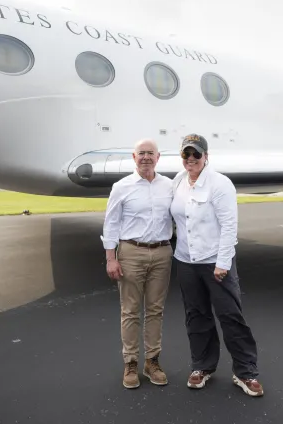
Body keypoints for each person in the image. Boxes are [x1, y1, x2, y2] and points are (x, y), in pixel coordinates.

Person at [170, 133, 264, 397]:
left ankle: (246, 372)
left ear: (206, 156)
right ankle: (202, 366)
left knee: (231, 316)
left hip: (215, 262)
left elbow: (228, 225)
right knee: (196, 316)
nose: (191, 159)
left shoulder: (220, 184)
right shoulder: (178, 181)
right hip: (186, 262)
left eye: (196, 154)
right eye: (186, 154)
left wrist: (223, 262)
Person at [100, 138, 174, 389]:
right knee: (130, 310)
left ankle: (152, 361)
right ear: (133, 158)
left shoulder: (169, 186)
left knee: (155, 310)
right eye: (141, 153)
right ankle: (130, 362)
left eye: (150, 153)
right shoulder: (122, 187)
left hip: (162, 253)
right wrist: (111, 258)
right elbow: (110, 223)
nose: (145, 157)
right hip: (131, 252)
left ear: (158, 157)